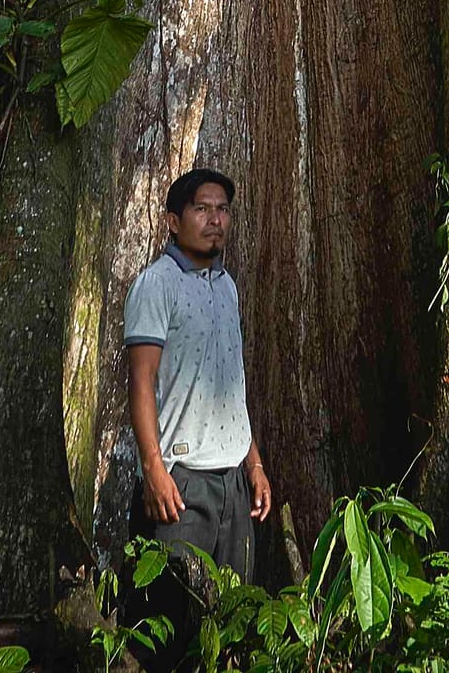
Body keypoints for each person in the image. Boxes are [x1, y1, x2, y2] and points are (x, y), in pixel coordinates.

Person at [124, 165, 272, 586]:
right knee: (173, 606)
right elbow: (141, 380)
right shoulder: (157, 285)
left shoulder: (226, 286)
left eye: (222, 210)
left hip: (233, 483)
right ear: (174, 222)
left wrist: (254, 463)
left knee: (231, 606)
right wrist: (154, 469)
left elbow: (231, 384)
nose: (215, 220)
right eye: (202, 209)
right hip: (181, 482)